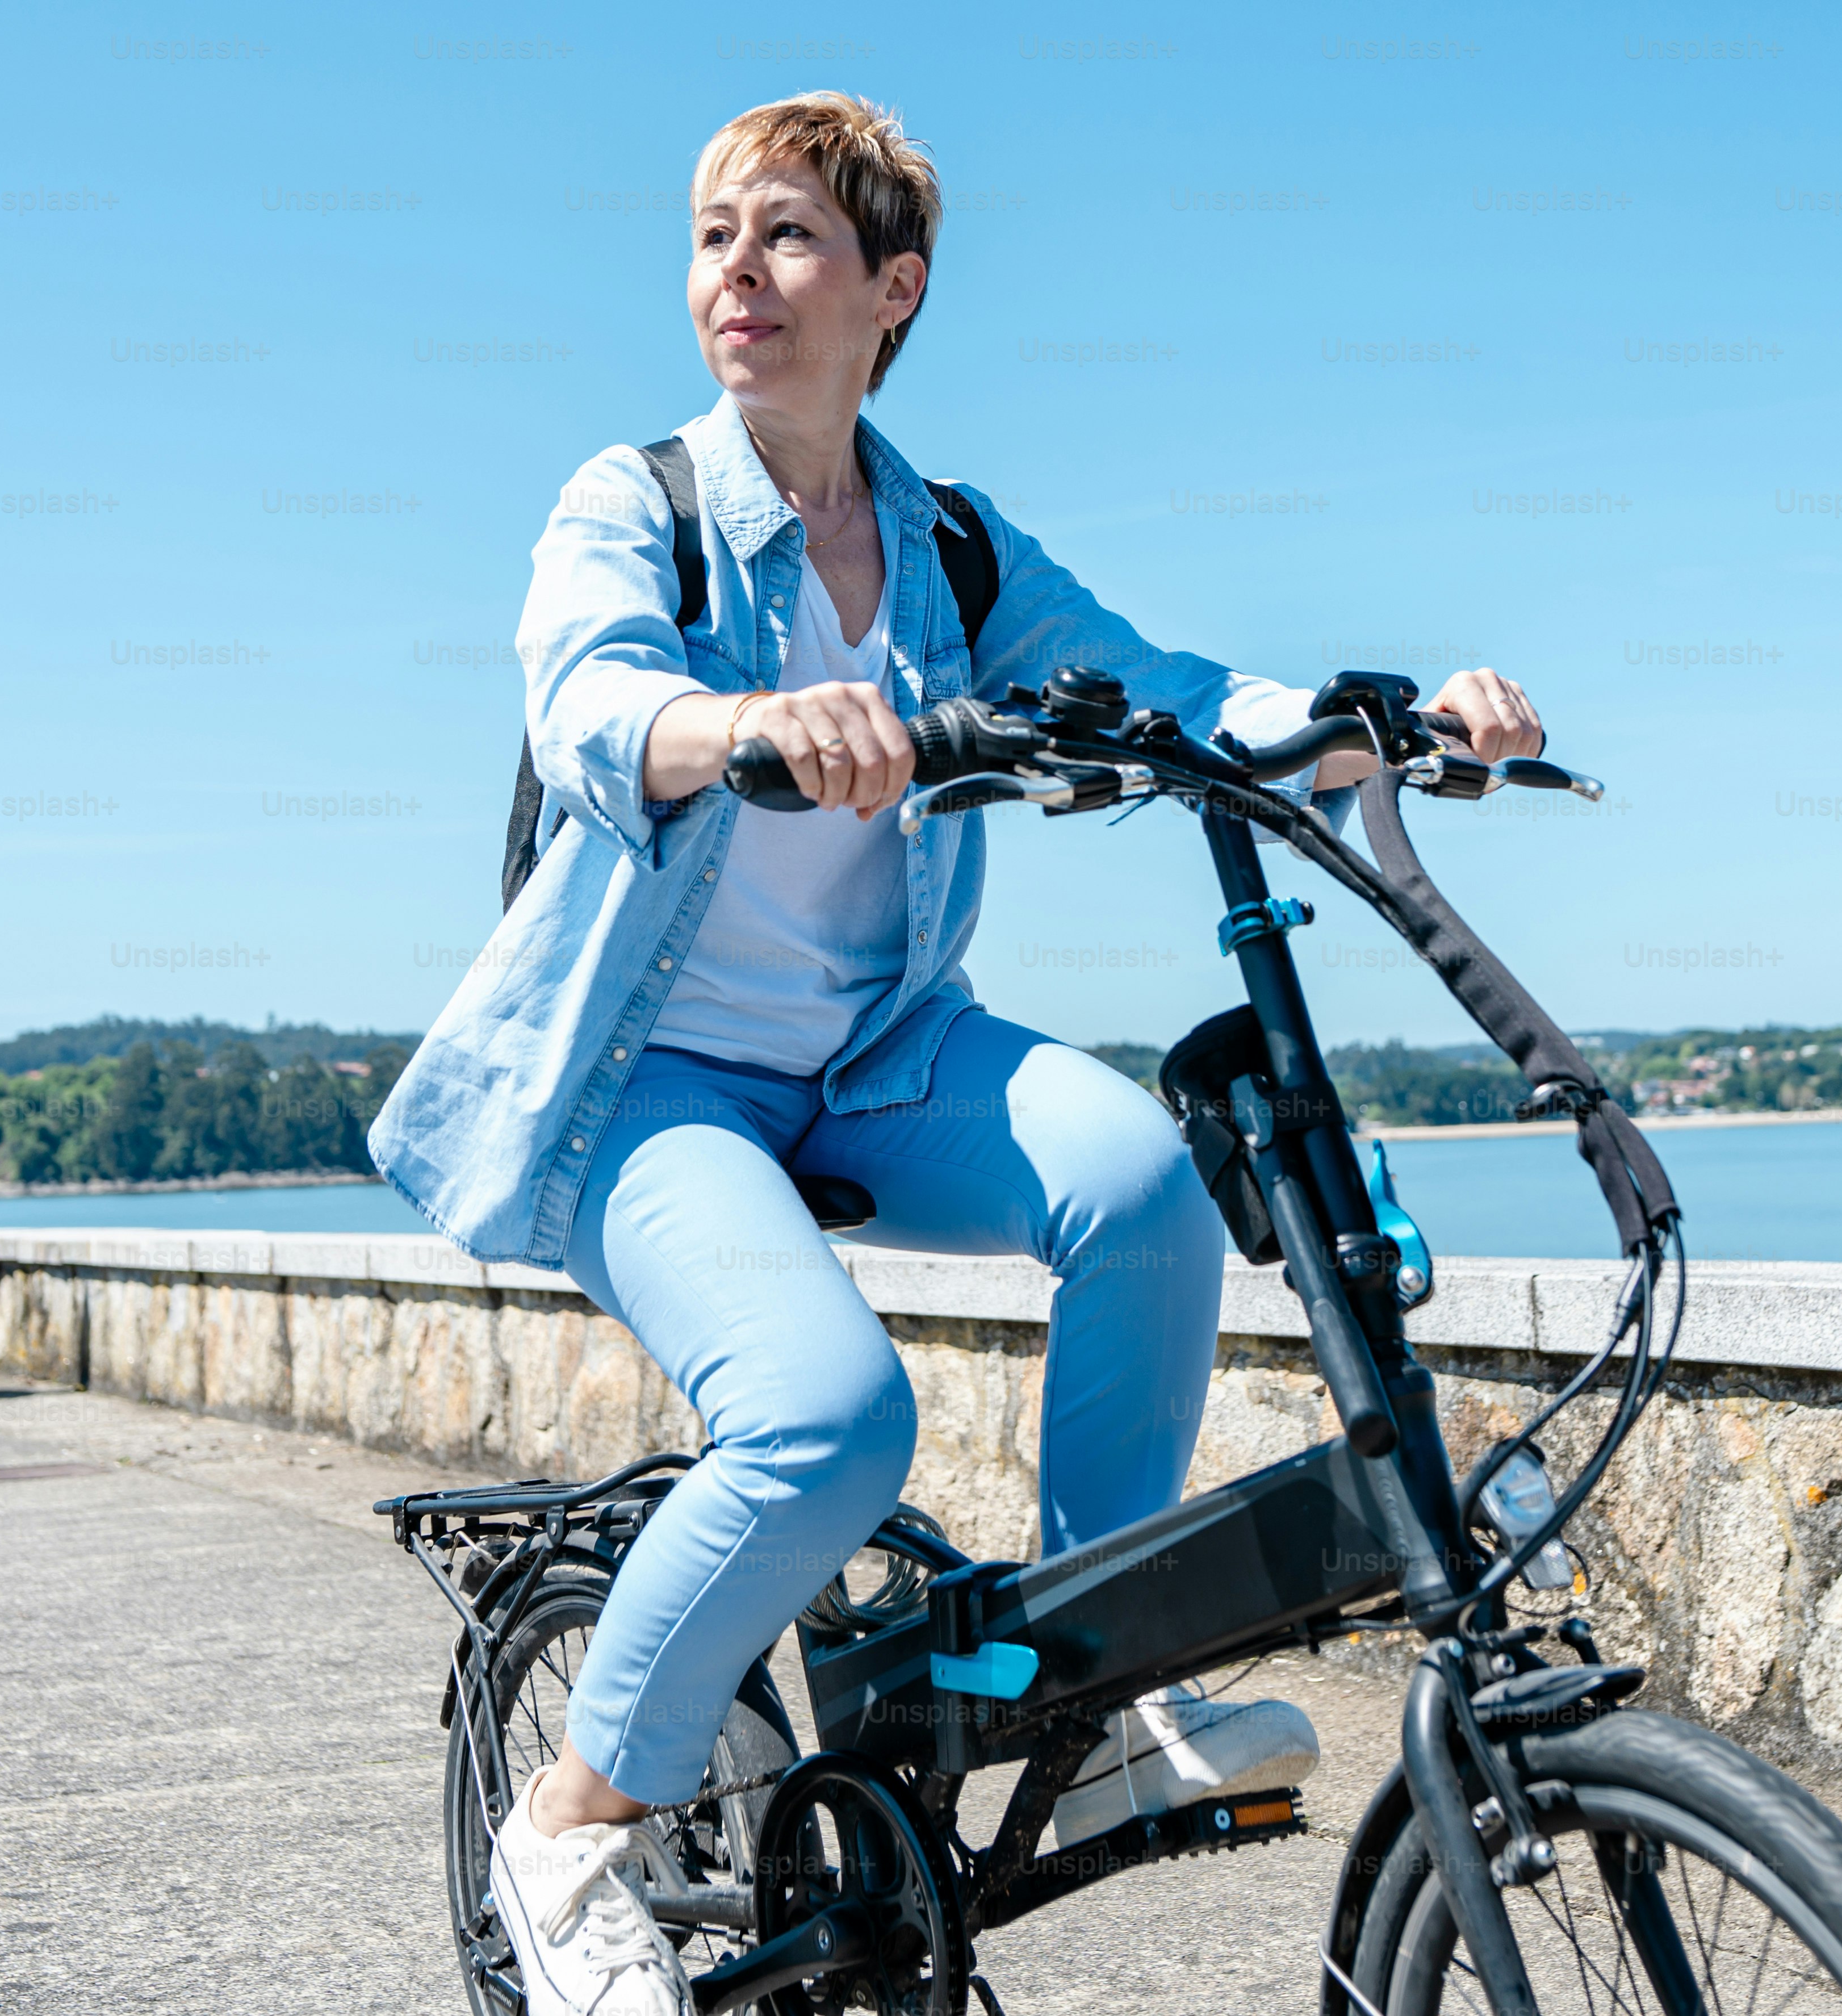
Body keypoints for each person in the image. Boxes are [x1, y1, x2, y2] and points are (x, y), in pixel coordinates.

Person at [370, 92, 1547, 2016]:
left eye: (787, 240)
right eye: (710, 239)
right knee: (829, 1419)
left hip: (883, 1047)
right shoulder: (636, 503)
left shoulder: (955, 551)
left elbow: (1172, 694)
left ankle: (1092, 1696)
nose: (733, 277)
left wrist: (1395, 722)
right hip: (650, 1084)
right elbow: (591, 699)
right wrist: (739, 724)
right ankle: (573, 1824)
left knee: (1149, 1182)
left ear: (890, 287)